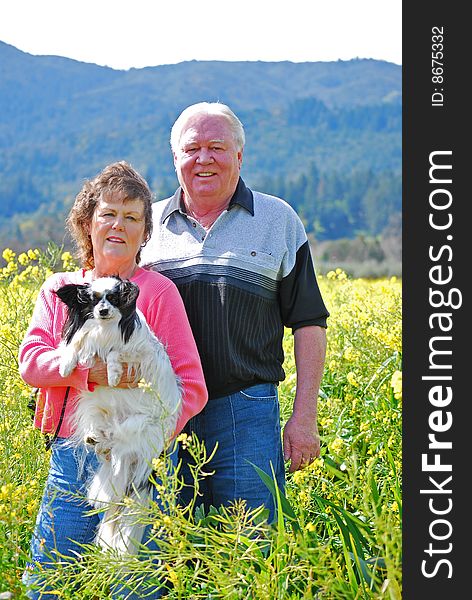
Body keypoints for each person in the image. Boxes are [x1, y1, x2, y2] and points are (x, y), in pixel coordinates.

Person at [18, 161, 208, 599]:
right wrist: (89, 373)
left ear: (145, 232)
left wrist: (151, 442)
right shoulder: (59, 288)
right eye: (108, 214)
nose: (118, 225)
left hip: (141, 460)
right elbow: (31, 362)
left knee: (134, 587)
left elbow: (191, 388)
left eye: (132, 216)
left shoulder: (158, 293)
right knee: (49, 583)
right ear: (87, 223)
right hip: (73, 455)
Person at [140, 102, 329, 521]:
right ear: (175, 158)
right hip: (158, 411)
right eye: (191, 149)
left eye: (217, 148)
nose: (203, 159)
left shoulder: (278, 219)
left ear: (239, 156)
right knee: (159, 548)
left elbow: (309, 323)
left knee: (249, 550)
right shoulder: (145, 226)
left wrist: (304, 418)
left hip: (247, 410)